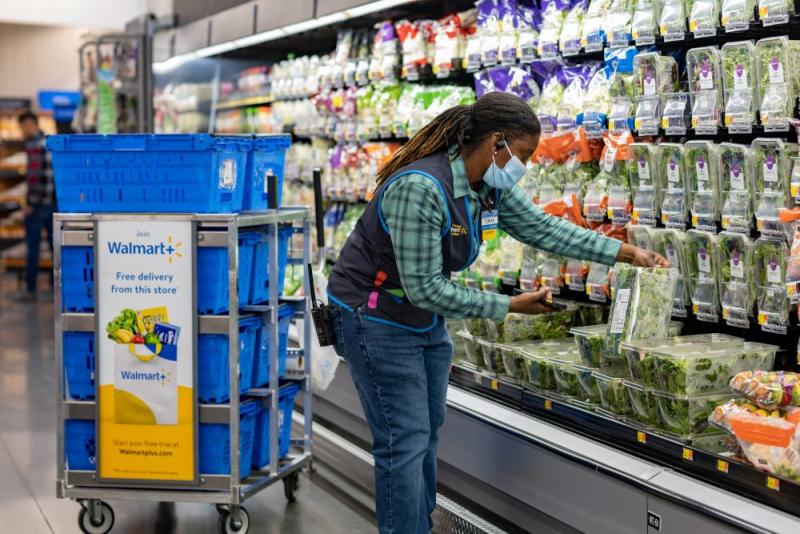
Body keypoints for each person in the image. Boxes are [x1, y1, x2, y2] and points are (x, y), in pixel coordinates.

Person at [326, 92, 668, 534]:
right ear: (496, 143)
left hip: (420, 317)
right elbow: (426, 287)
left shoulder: (486, 184)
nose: (522, 166)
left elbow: (543, 227)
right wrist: (508, 305)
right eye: (522, 155)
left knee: (424, 433)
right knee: (403, 441)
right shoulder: (421, 188)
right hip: (373, 316)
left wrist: (624, 252)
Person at [17, 111, 55, 300]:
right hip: (52, 205)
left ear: (29, 124)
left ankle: (30, 289)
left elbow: (35, 178)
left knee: (33, 249)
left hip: (38, 205)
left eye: (22, 127)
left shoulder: (34, 145)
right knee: (55, 248)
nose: (21, 131)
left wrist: (30, 203)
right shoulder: (48, 142)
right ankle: (59, 289)